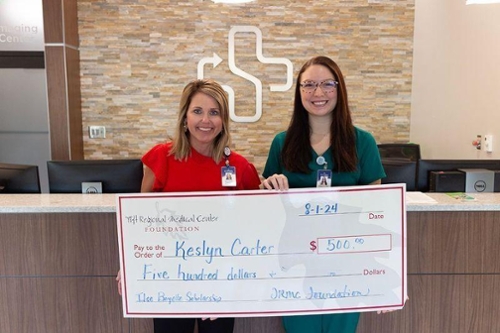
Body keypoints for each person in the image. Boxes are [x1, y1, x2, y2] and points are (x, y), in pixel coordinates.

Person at [116, 79, 261, 333]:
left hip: (221, 282)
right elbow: (142, 222)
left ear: (224, 120)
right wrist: (131, 264)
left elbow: (253, 228)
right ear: (185, 117)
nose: (206, 120)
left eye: (214, 112)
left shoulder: (240, 167)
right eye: (198, 111)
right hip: (169, 279)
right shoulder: (161, 158)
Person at [261, 56, 386, 333]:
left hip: (346, 266)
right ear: (299, 92)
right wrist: (270, 186)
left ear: (339, 89)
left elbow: (377, 209)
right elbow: (268, 207)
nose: (318, 93)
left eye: (327, 84)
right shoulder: (282, 143)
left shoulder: (362, 142)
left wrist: (388, 273)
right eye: (309, 85)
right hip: (296, 264)